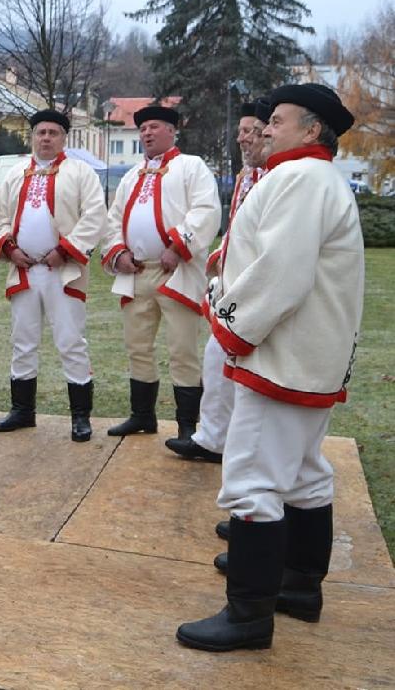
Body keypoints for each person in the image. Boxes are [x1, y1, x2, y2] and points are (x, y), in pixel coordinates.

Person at [176, 83, 362, 652]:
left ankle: (248, 614)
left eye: (277, 120)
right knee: (305, 473)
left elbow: (281, 272)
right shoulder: (317, 178)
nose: (265, 128)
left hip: (282, 356)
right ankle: (299, 585)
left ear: (311, 130)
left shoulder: (301, 178)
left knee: (254, 478)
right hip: (309, 355)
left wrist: (228, 322)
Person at [101, 105, 220, 439]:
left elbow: (206, 211)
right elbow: (112, 220)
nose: (147, 134)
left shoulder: (190, 167)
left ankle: (187, 426)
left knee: (182, 349)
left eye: (154, 127)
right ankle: (142, 416)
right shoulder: (130, 176)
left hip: (177, 272)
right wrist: (118, 252)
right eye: (142, 130)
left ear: (172, 131)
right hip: (137, 273)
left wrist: (177, 247)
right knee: (137, 345)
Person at [0, 110, 107, 441]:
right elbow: (0, 218)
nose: (46, 138)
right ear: (32, 136)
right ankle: (22, 410)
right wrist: (9, 249)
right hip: (25, 271)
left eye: (53, 133)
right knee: (23, 341)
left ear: (64, 138)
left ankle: (80, 417)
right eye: (40, 132)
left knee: (71, 341)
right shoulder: (14, 175)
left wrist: (66, 249)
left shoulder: (81, 173)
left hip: (63, 271)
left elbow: (95, 216)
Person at [167, 99, 272, 464]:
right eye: (240, 131)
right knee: (215, 358)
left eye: (250, 132)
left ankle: (248, 447)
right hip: (230, 286)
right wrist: (218, 260)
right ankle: (212, 437)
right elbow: (236, 231)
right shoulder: (245, 178)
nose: (242, 139)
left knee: (249, 370)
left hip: (258, 289)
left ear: (268, 133)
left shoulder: (276, 178)